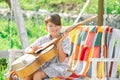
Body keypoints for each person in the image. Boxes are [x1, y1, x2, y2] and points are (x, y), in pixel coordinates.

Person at [23, 14, 71, 80]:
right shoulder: (43, 39)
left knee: (38, 75)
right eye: (50, 26)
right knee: (27, 75)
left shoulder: (66, 40)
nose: (54, 28)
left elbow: (62, 60)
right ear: (46, 28)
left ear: (60, 26)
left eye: (56, 25)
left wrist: (59, 43)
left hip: (59, 67)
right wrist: (33, 50)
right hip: (44, 67)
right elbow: (27, 49)